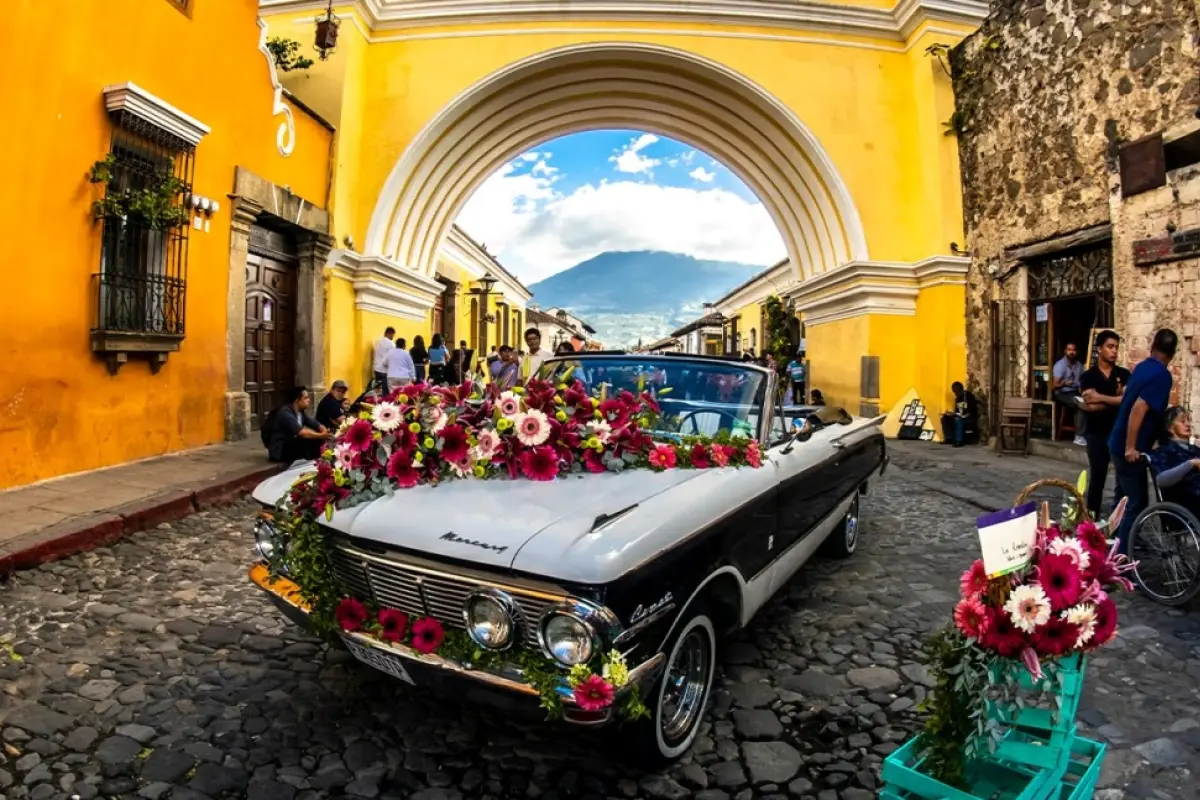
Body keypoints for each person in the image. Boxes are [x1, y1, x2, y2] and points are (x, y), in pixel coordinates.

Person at [1109, 328, 1178, 554]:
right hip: (1128, 448)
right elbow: (1139, 408)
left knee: (1122, 500)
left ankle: (1113, 546)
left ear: (1153, 345)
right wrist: (1131, 446)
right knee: (1135, 504)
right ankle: (1122, 561)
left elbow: (1132, 400)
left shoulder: (1142, 367)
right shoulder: (1162, 376)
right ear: (1173, 353)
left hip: (1118, 441)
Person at [1077, 330, 1129, 519]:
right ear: (1099, 349)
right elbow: (1090, 406)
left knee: (1122, 480)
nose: (1114, 351)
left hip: (1119, 432)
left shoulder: (1123, 374)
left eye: (1116, 347)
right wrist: (1115, 399)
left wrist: (1101, 397)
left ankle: (1119, 521)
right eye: (1110, 347)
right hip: (1097, 433)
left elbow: (1127, 401)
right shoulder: (1088, 376)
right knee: (1097, 478)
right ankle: (1091, 519)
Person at [1148, 407, 1200, 511]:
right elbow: (1161, 480)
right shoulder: (1163, 451)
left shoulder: (1195, 449)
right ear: (1170, 427)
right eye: (1182, 421)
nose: (1188, 424)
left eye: (1188, 420)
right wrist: (1191, 464)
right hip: (1186, 503)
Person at [265, 386, 330, 463]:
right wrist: (321, 435)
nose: (309, 400)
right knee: (307, 440)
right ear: (297, 401)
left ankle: (317, 462)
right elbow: (301, 433)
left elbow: (312, 422)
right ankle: (311, 463)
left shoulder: (300, 412)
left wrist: (322, 428)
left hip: (292, 444)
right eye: (306, 398)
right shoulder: (285, 412)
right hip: (280, 449)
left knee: (315, 440)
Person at [1052, 343, 1086, 446]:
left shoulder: (1079, 365)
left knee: (1090, 404)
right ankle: (1079, 436)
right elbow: (1054, 385)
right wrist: (1063, 383)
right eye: (1069, 350)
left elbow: (1082, 381)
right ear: (1065, 351)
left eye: (1074, 350)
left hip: (1075, 392)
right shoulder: (1060, 365)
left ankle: (1087, 434)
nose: (1071, 352)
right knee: (1081, 406)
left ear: (1077, 352)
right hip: (1062, 393)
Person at [940, 382, 979, 447]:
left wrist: (958, 415)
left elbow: (970, 411)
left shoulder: (968, 396)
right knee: (944, 418)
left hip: (969, 419)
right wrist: (951, 414)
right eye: (954, 392)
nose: (955, 394)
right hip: (961, 417)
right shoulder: (957, 399)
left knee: (958, 420)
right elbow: (957, 412)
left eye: (956, 391)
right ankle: (949, 438)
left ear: (960, 390)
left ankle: (959, 441)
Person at [372, 327, 395, 392]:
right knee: (385, 391)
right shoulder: (391, 344)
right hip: (385, 371)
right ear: (390, 334)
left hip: (376, 369)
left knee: (377, 390)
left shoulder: (377, 341)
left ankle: (376, 401)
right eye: (392, 335)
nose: (392, 337)